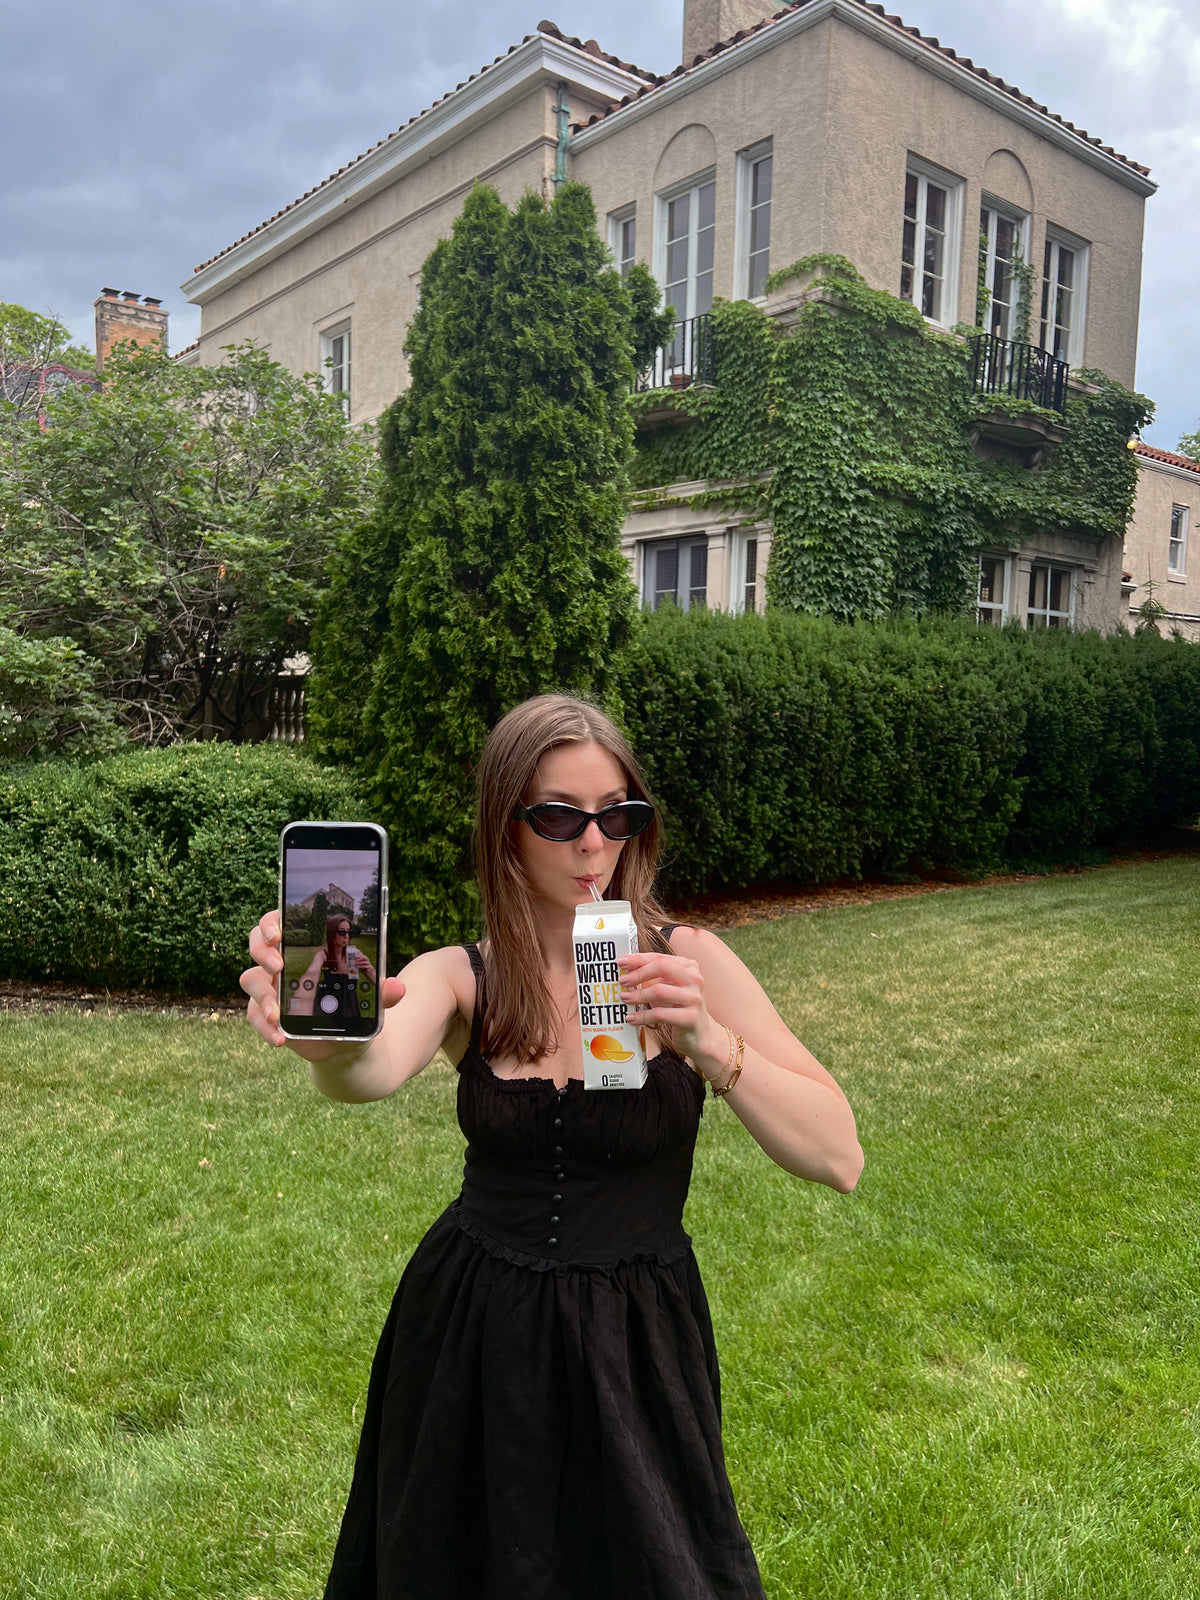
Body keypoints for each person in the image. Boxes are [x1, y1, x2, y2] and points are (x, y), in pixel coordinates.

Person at [241, 694, 863, 1599]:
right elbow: (367, 1073)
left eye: (618, 814)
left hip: (639, 1340)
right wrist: (329, 1036)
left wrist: (706, 1044)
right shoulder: (467, 974)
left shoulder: (687, 961)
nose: (593, 844)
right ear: (506, 830)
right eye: (560, 816)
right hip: (472, 1338)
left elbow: (838, 1156)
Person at [289, 913, 378, 1019]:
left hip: (349, 1004)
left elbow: (378, 982)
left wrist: (368, 969)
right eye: (341, 932)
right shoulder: (323, 955)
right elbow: (310, 977)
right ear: (332, 934)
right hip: (327, 1004)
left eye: (349, 932)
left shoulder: (352, 953)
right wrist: (300, 1013)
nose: (347, 936)